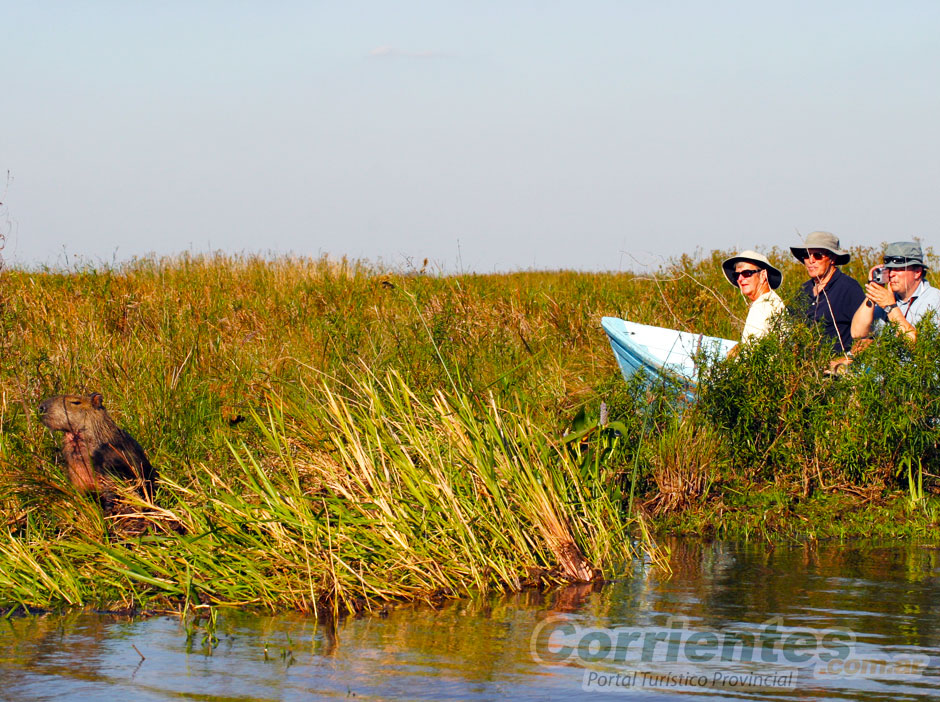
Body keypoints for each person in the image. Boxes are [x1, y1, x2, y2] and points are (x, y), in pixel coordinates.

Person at [790, 231, 865, 355]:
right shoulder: (803, 291)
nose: (811, 260)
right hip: (805, 370)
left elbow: (867, 337)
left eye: (818, 255)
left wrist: (846, 362)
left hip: (837, 371)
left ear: (832, 258)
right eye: (807, 255)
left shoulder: (849, 288)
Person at [850, 241, 940, 344]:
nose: (892, 274)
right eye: (889, 269)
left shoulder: (934, 300)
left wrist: (890, 307)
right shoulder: (889, 298)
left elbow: (918, 345)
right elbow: (857, 333)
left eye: (898, 269)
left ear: (917, 272)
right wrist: (873, 292)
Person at [721, 250, 785, 353]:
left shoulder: (762, 307)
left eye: (747, 273)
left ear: (763, 275)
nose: (740, 279)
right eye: (737, 275)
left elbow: (751, 354)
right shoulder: (770, 301)